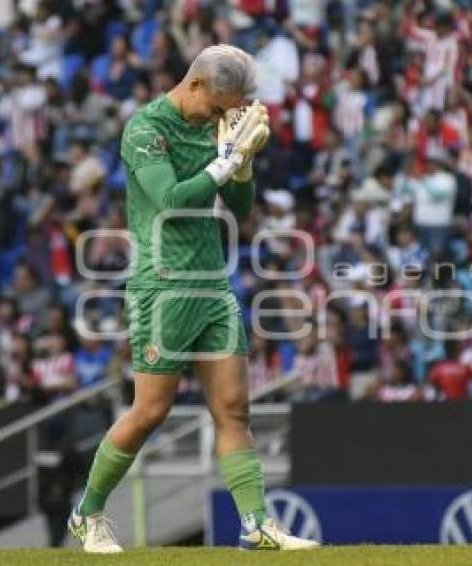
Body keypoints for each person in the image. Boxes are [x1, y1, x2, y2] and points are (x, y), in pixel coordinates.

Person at [68, 45, 317, 553]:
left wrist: (243, 166)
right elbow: (172, 200)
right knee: (150, 412)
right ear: (196, 85)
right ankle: (87, 514)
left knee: (233, 408)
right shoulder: (145, 129)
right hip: (162, 286)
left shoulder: (214, 123)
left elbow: (241, 209)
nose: (225, 117)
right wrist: (224, 164)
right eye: (221, 106)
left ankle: (256, 524)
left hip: (211, 283)